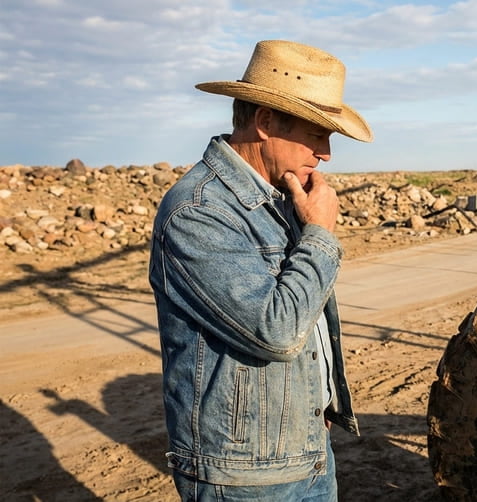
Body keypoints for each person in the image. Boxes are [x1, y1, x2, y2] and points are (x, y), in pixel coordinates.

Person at [149, 40, 372, 501]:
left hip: (305, 452)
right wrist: (320, 236)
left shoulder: (281, 197)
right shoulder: (199, 212)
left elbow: (304, 320)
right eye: (317, 134)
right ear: (266, 122)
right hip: (244, 476)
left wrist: (317, 406)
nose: (326, 154)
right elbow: (276, 331)